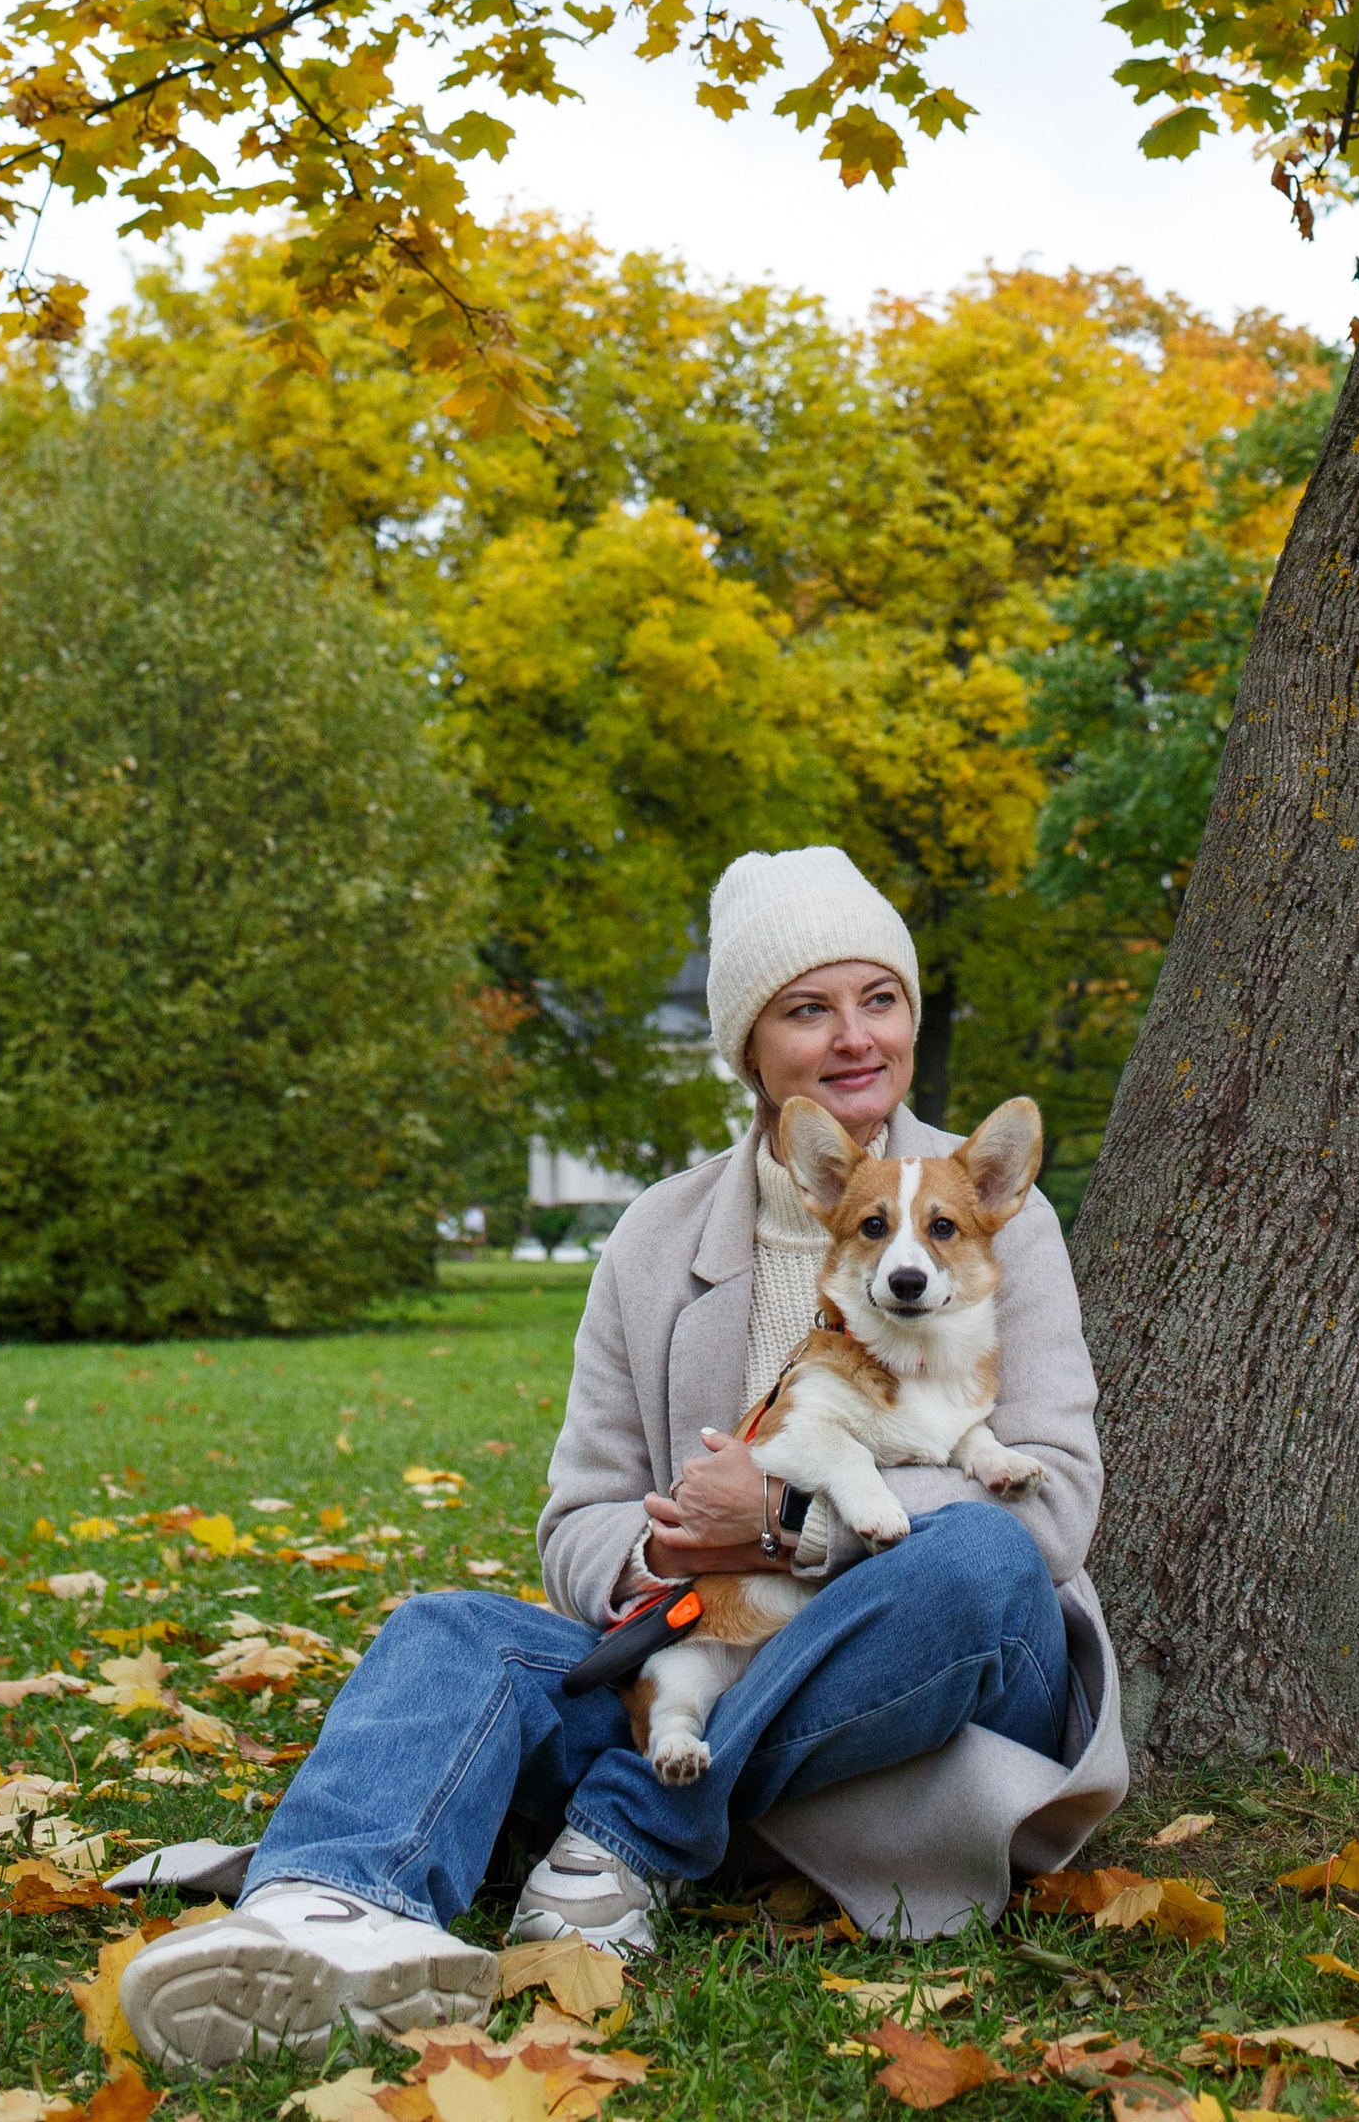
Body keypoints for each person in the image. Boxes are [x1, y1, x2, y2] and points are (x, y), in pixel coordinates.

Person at [124, 844, 1125, 2068]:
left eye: (880, 999)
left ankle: (631, 1829)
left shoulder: (991, 1210)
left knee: (977, 1556)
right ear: (750, 1049)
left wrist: (781, 1525)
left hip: (923, 1682)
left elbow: (1052, 1511)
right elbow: (578, 1523)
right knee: (452, 1629)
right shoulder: (653, 1238)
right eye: (807, 1010)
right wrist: (669, 1546)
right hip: (698, 1666)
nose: (854, 1036)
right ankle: (325, 1910)